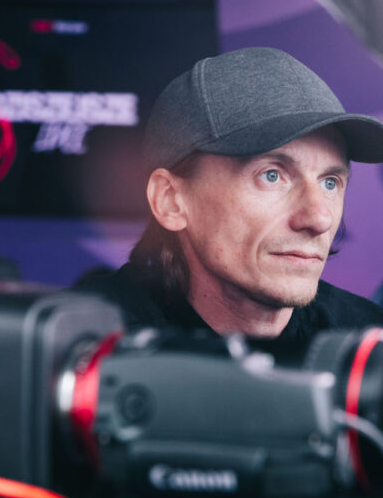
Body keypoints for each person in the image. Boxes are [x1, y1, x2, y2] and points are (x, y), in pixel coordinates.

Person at [79, 47, 383, 340]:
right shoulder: (81, 348)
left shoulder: (368, 338)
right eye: (271, 175)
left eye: (330, 182)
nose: (319, 219)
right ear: (170, 200)